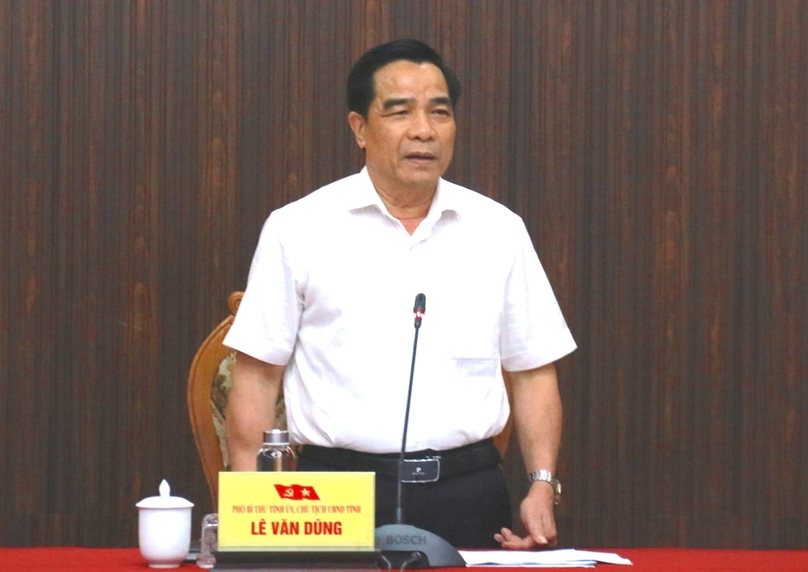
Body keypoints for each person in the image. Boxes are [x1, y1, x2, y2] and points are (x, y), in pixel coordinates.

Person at [223, 38, 576, 550]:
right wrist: (253, 516)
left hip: (469, 490)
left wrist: (542, 484)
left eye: (440, 112)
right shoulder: (298, 228)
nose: (423, 130)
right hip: (329, 495)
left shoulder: (499, 230)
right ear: (359, 129)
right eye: (400, 112)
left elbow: (532, 369)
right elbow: (255, 377)